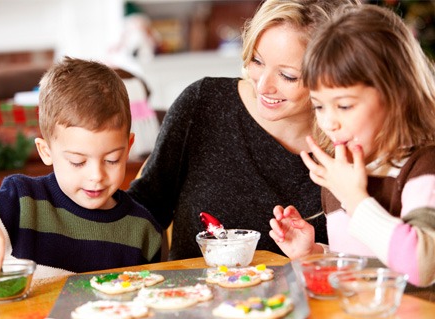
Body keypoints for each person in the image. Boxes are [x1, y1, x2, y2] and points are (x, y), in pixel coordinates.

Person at [128, 0, 360, 261]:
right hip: (196, 297)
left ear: (334, 74)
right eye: (257, 60)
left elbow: (371, 257)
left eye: (288, 76)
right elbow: (143, 209)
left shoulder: (355, 141)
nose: (263, 86)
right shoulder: (203, 104)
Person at [269, 5, 435, 288]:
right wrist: (314, 252)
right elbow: (363, 263)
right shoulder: (342, 171)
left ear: (397, 98)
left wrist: (355, 198)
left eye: (344, 105)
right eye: (319, 106)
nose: (329, 122)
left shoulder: (423, 167)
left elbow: (421, 267)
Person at [0, 57, 162, 278]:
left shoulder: (143, 230)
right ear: (46, 152)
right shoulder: (21, 202)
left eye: (111, 160)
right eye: (78, 162)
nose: (96, 176)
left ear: (128, 148)